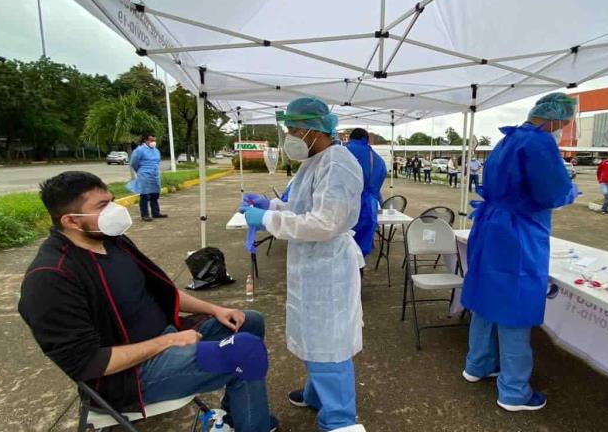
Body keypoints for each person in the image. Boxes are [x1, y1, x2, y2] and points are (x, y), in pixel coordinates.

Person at [18, 171, 277, 432]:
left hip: (169, 337)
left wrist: (215, 309)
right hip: (130, 376)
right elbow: (88, 363)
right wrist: (167, 342)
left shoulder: (113, 242)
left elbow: (163, 292)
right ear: (71, 221)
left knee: (249, 321)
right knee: (244, 351)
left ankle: (238, 418)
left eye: (112, 200)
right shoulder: (51, 278)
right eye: (102, 206)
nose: (114, 210)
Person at [240, 97, 366, 432]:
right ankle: (316, 394)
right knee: (314, 334)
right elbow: (302, 208)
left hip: (328, 267)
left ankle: (339, 419)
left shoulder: (338, 164)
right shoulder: (316, 159)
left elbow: (325, 223)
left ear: (314, 129)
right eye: (289, 129)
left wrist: (267, 218)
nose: (290, 136)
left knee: (330, 340)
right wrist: (273, 206)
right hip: (311, 264)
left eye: (295, 129)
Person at [460, 93, 580, 412]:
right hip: (518, 231)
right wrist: (570, 191)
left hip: (490, 226)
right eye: (566, 123)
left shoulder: (507, 139)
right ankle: (514, 391)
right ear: (556, 120)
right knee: (516, 301)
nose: (564, 128)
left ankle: (478, 364)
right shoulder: (540, 143)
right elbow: (551, 191)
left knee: (486, 295)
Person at [346, 128, 388, 256]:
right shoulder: (379, 160)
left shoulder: (343, 150)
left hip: (346, 205)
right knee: (360, 251)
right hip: (369, 208)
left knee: (343, 248)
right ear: (366, 140)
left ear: (350, 138)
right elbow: (378, 185)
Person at [128, 134, 167, 222]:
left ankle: (156, 213)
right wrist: (141, 171)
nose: (153, 142)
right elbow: (134, 163)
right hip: (144, 175)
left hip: (155, 175)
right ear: (145, 140)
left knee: (155, 194)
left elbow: (157, 162)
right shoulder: (139, 150)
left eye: (154, 140)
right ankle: (145, 215)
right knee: (145, 195)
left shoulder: (156, 150)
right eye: (151, 140)